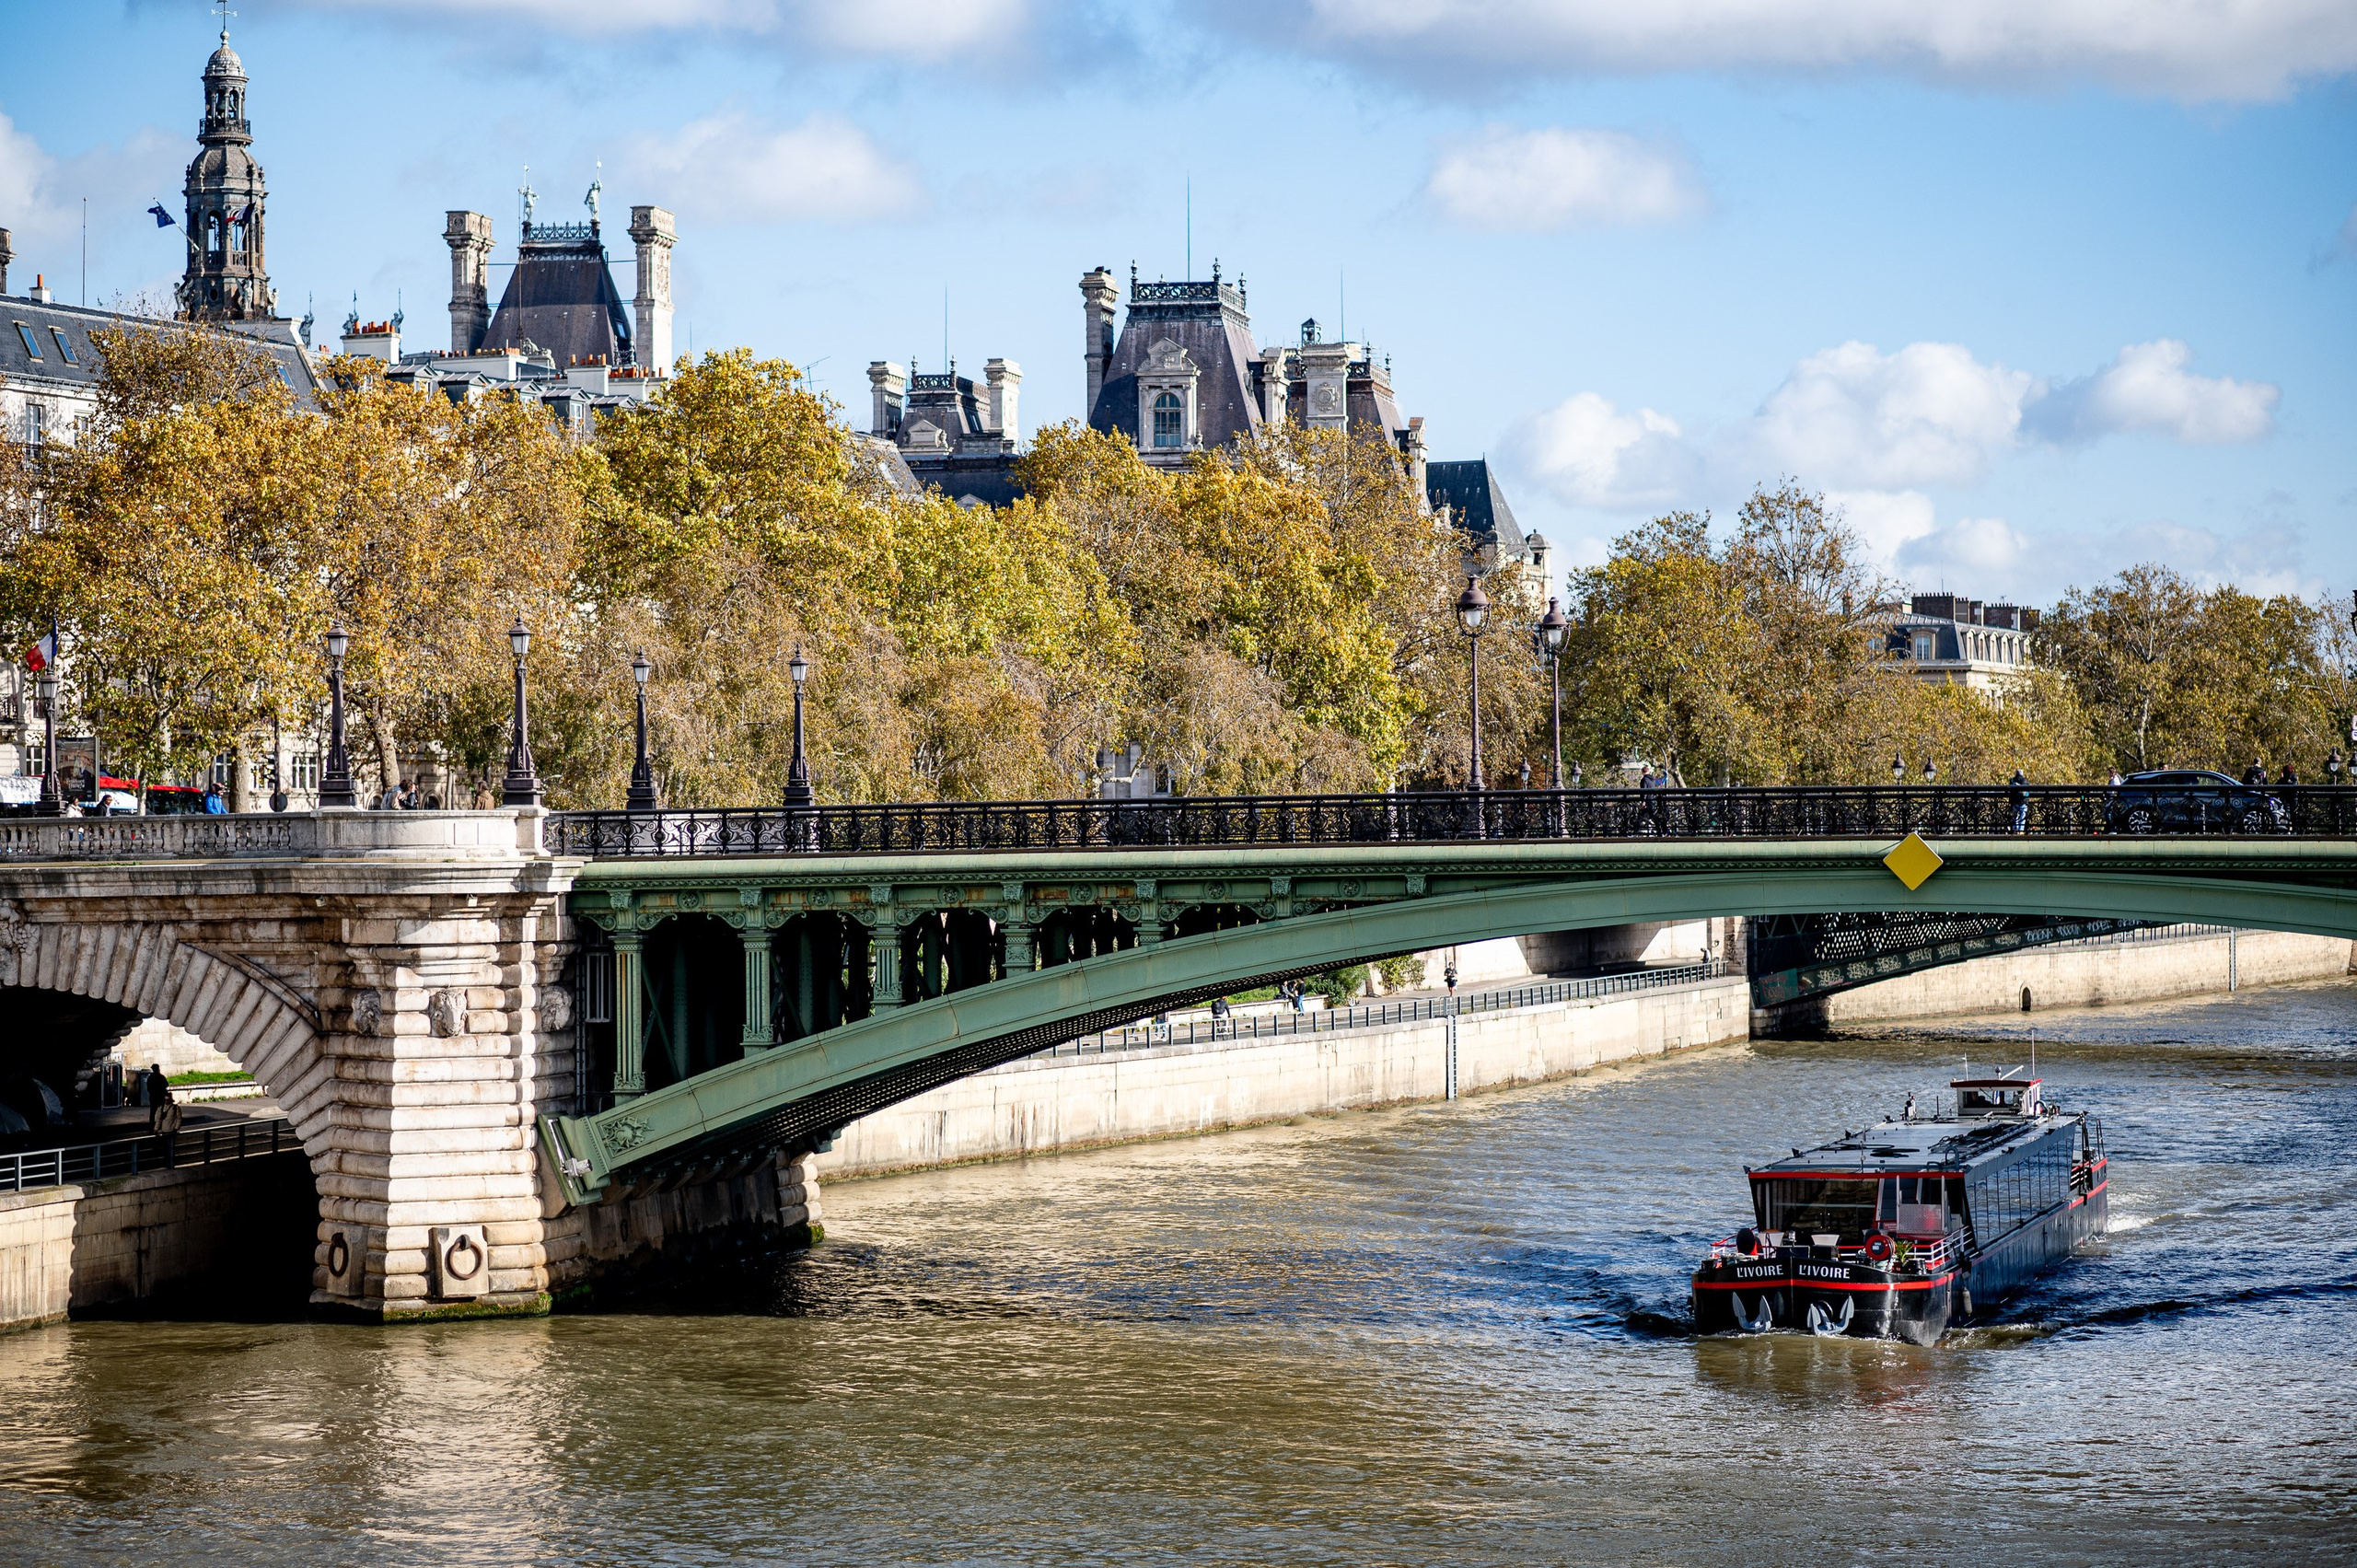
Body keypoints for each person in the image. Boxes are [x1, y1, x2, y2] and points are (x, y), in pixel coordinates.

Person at [2008, 768, 2029, 834]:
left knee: (2015, 815)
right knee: (2022, 815)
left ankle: (2015, 828)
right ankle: (2021, 830)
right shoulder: (2025, 781)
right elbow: (2028, 792)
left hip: (2015, 801)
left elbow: (2010, 791)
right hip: (2023, 801)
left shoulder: (2012, 780)